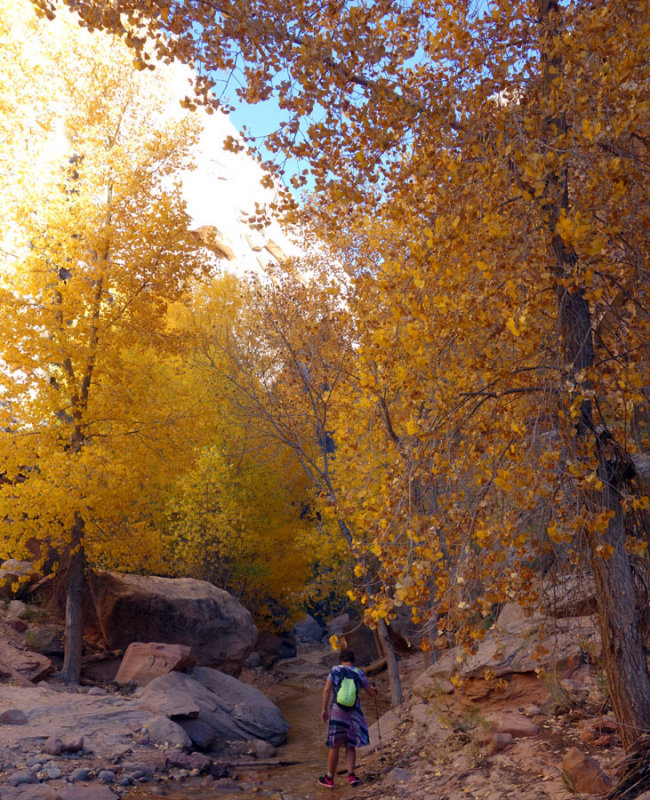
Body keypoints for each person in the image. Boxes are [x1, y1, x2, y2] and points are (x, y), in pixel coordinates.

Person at [318, 648, 377, 788]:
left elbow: (326, 690)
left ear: (341, 659)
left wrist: (324, 709)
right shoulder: (358, 672)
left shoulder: (335, 670)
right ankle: (351, 776)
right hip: (353, 712)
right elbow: (371, 693)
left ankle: (329, 779)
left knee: (335, 745)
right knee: (350, 744)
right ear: (353, 661)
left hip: (337, 710)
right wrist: (375, 690)